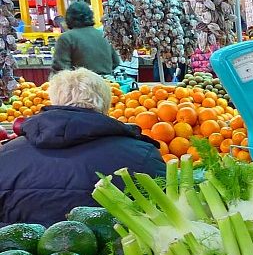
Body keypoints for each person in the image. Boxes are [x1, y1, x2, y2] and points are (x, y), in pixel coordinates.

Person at [0, 68, 165, 225]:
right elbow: (163, 216)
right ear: (106, 104)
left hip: (19, 252)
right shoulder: (143, 154)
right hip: (117, 252)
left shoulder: (6, 155)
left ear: (55, 100)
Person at [49, 3, 120, 77]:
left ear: (68, 19)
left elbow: (61, 69)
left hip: (81, 86)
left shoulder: (66, 38)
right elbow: (115, 62)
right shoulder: (103, 35)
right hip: (107, 84)